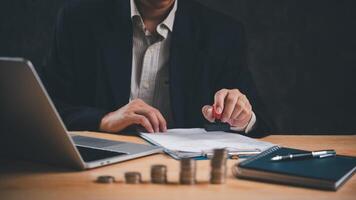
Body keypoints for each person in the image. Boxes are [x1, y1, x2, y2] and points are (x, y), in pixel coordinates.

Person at [43, 0, 270, 135]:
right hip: (99, 172)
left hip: (188, 178)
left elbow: (264, 124)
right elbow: (46, 109)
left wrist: (243, 118)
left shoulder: (222, 33)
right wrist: (104, 120)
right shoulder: (78, 20)